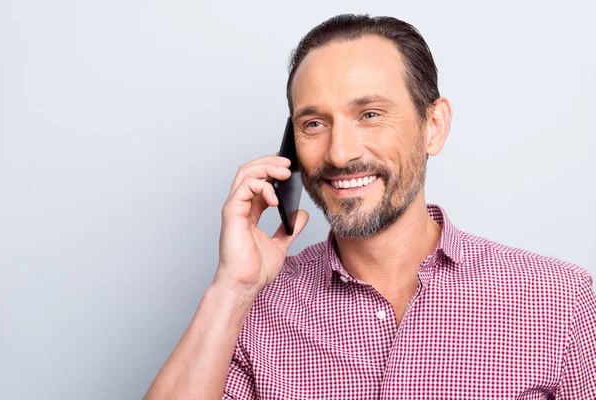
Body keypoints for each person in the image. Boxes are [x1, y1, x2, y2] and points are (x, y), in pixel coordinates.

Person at [144, 14, 596, 399]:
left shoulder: (560, 301)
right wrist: (232, 288)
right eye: (315, 123)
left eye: (370, 114)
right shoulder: (251, 311)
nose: (339, 153)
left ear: (433, 126)